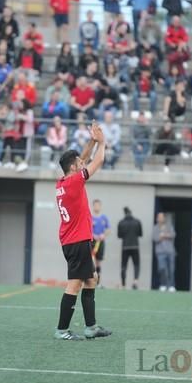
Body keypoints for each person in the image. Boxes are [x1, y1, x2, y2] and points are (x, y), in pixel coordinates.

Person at [54, 123, 111, 340]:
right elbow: (97, 161)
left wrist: (92, 141)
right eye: (79, 162)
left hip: (73, 239)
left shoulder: (63, 181)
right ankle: (61, 330)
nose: (82, 162)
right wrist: (102, 143)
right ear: (73, 167)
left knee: (91, 279)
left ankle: (91, 327)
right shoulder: (76, 181)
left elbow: (84, 159)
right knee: (75, 283)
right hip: (77, 240)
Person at [117, 207, 143, 290]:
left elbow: (119, 235)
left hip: (125, 246)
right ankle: (135, 281)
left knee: (124, 265)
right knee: (136, 264)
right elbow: (140, 234)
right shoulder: (137, 222)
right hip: (135, 246)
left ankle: (124, 284)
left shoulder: (121, 222)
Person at [153, 212, 176, 292]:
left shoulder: (169, 226)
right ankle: (163, 284)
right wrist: (164, 236)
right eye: (159, 217)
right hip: (160, 252)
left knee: (171, 269)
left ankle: (171, 285)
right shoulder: (155, 228)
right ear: (157, 218)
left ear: (164, 218)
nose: (160, 219)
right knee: (162, 269)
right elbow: (155, 238)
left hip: (170, 251)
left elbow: (173, 235)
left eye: (162, 217)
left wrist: (163, 235)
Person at [91, 199, 110, 286]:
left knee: (99, 262)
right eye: (95, 205)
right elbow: (86, 229)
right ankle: (90, 281)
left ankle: (98, 282)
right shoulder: (90, 217)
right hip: (92, 241)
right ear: (93, 206)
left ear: (100, 206)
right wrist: (92, 235)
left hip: (100, 242)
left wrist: (103, 235)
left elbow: (108, 230)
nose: (97, 207)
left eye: (98, 205)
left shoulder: (104, 218)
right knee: (91, 260)